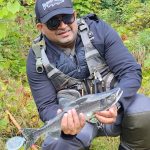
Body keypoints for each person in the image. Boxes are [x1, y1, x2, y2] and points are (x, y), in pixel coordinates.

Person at [26, 0, 150, 149]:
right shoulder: (37, 58)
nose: (63, 26)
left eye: (66, 18)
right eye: (53, 22)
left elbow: (130, 72)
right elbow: (46, 106)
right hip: (78, 123)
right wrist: (64, 122)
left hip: (115, 110)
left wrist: (117, 104)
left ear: (74, 15)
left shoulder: (98, 31)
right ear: (40, 27)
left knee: (144, 110)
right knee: (56, 143)